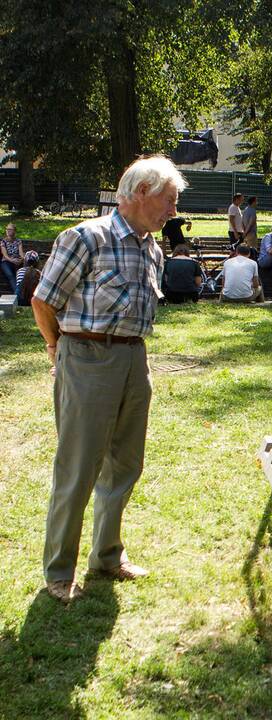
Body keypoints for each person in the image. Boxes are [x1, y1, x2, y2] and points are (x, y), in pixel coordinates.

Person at [31, 155, 185, 604]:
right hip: (87, 356)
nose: (173, 210)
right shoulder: (86, 237)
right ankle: (59, 571)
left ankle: (106, 555)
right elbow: (44, 301)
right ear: (141, 192)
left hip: (134, 360)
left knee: (125, 464)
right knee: (78, 468)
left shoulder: (150, 246)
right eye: (169, 199)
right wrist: (57, 349)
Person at [1, 222, 24, 294]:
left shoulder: (18, 241)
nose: (7, 231)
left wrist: (21, 259)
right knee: (10, 275)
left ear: (14, 231)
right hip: (6, 262)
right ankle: (17, 295)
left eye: (10, 229)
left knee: (21, 276)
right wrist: (12, 260)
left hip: (16, 261)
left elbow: (21, 253)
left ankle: (20, 295)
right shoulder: (3, 241)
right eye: (7, 229)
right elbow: (5, 255)